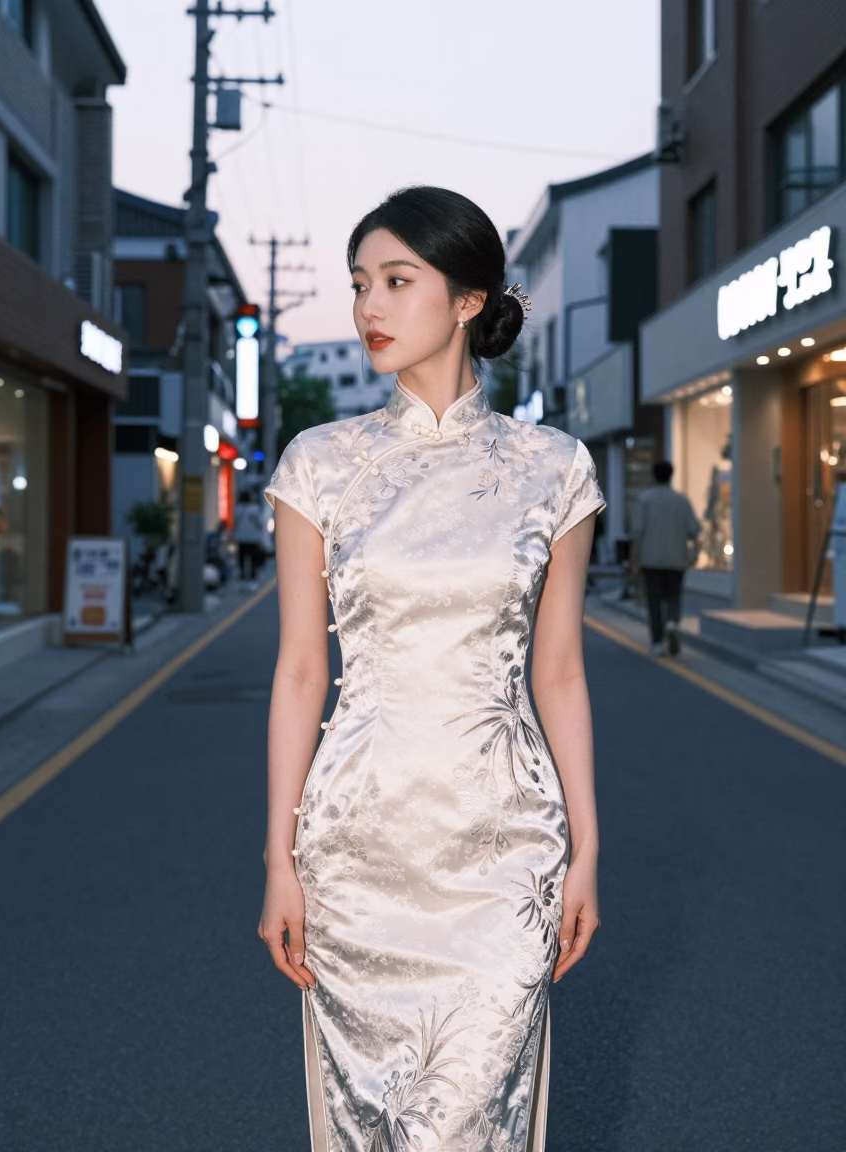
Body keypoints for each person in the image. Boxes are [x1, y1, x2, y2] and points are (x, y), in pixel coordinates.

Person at [258, 186, 606, 1152]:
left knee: (474, 1115)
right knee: (372, 1121)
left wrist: (585, 849)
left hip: (505, 848)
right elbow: (298, 674)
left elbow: (562, 672)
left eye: (397, 281)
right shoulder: (318, 464)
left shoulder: (556, 468)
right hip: (358, 849)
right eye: (360, 283)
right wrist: (280, 861)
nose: (369, 307)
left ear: (466, 298)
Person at [632, 460, 701, 657]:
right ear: (672, 476)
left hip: (651, 558)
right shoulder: (682, 500)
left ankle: (658, 642)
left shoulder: (644, 499)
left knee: (654, 600)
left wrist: (634, 558)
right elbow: (693, 530)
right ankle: (672, 621)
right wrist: (693, 555)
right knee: (673, 595)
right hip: (677, 558)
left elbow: (637, 531)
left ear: (654, 476)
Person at [232, 491, 263, 582]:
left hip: (241, 537)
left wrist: (233, 534)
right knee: (253, 557)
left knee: (242, 557)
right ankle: (253, 573)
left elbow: (235, 524)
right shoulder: (255, 508)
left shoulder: (237, 509)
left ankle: (243, 574)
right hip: (253, 537)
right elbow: (259, 523)